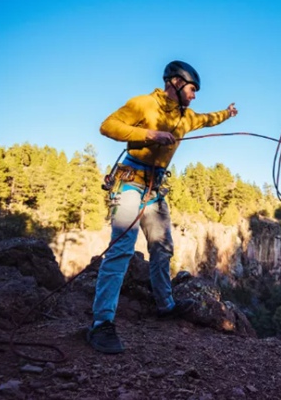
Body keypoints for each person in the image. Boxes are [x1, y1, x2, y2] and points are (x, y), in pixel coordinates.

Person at [87, 60, 238, 354]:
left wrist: (228, 114)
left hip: (154, 188)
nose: (194, 96)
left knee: (163, 247)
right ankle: (101, 324)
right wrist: (149, 134)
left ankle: (165, 306)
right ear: (176, 83)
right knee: (120, 250)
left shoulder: (186, 117)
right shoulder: (143, 104)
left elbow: (209, 119)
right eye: (192, 89)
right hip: (130, 182)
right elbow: (107, 126)